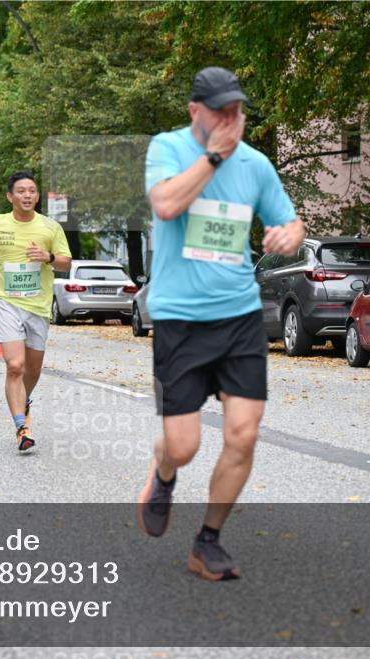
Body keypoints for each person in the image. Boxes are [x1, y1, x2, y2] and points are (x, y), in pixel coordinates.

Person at [136, 66, 306, 581]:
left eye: (237, 110)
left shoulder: (256, 164)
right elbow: (166, 204)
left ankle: (206, 541)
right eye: (221, 111)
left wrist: (290, 236)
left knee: (243, 434)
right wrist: (213, 157)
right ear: (195, 112)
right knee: (183, 446)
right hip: (180, 318)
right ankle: (164, 473)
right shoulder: (167, 148)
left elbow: (291, 221)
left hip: (239, 316)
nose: (232, 119)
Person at [0, 171, 72, 451]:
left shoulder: (50, 227)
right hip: (8, 301)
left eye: (32, 191)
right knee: (15, 365)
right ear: (10, 196)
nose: (27, 195)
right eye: (21, 191)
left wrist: (48, 257)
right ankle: (21, 427)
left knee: (33, 368)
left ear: (37, 196)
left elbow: (66, 262)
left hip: (38, 305)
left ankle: (23, 400)